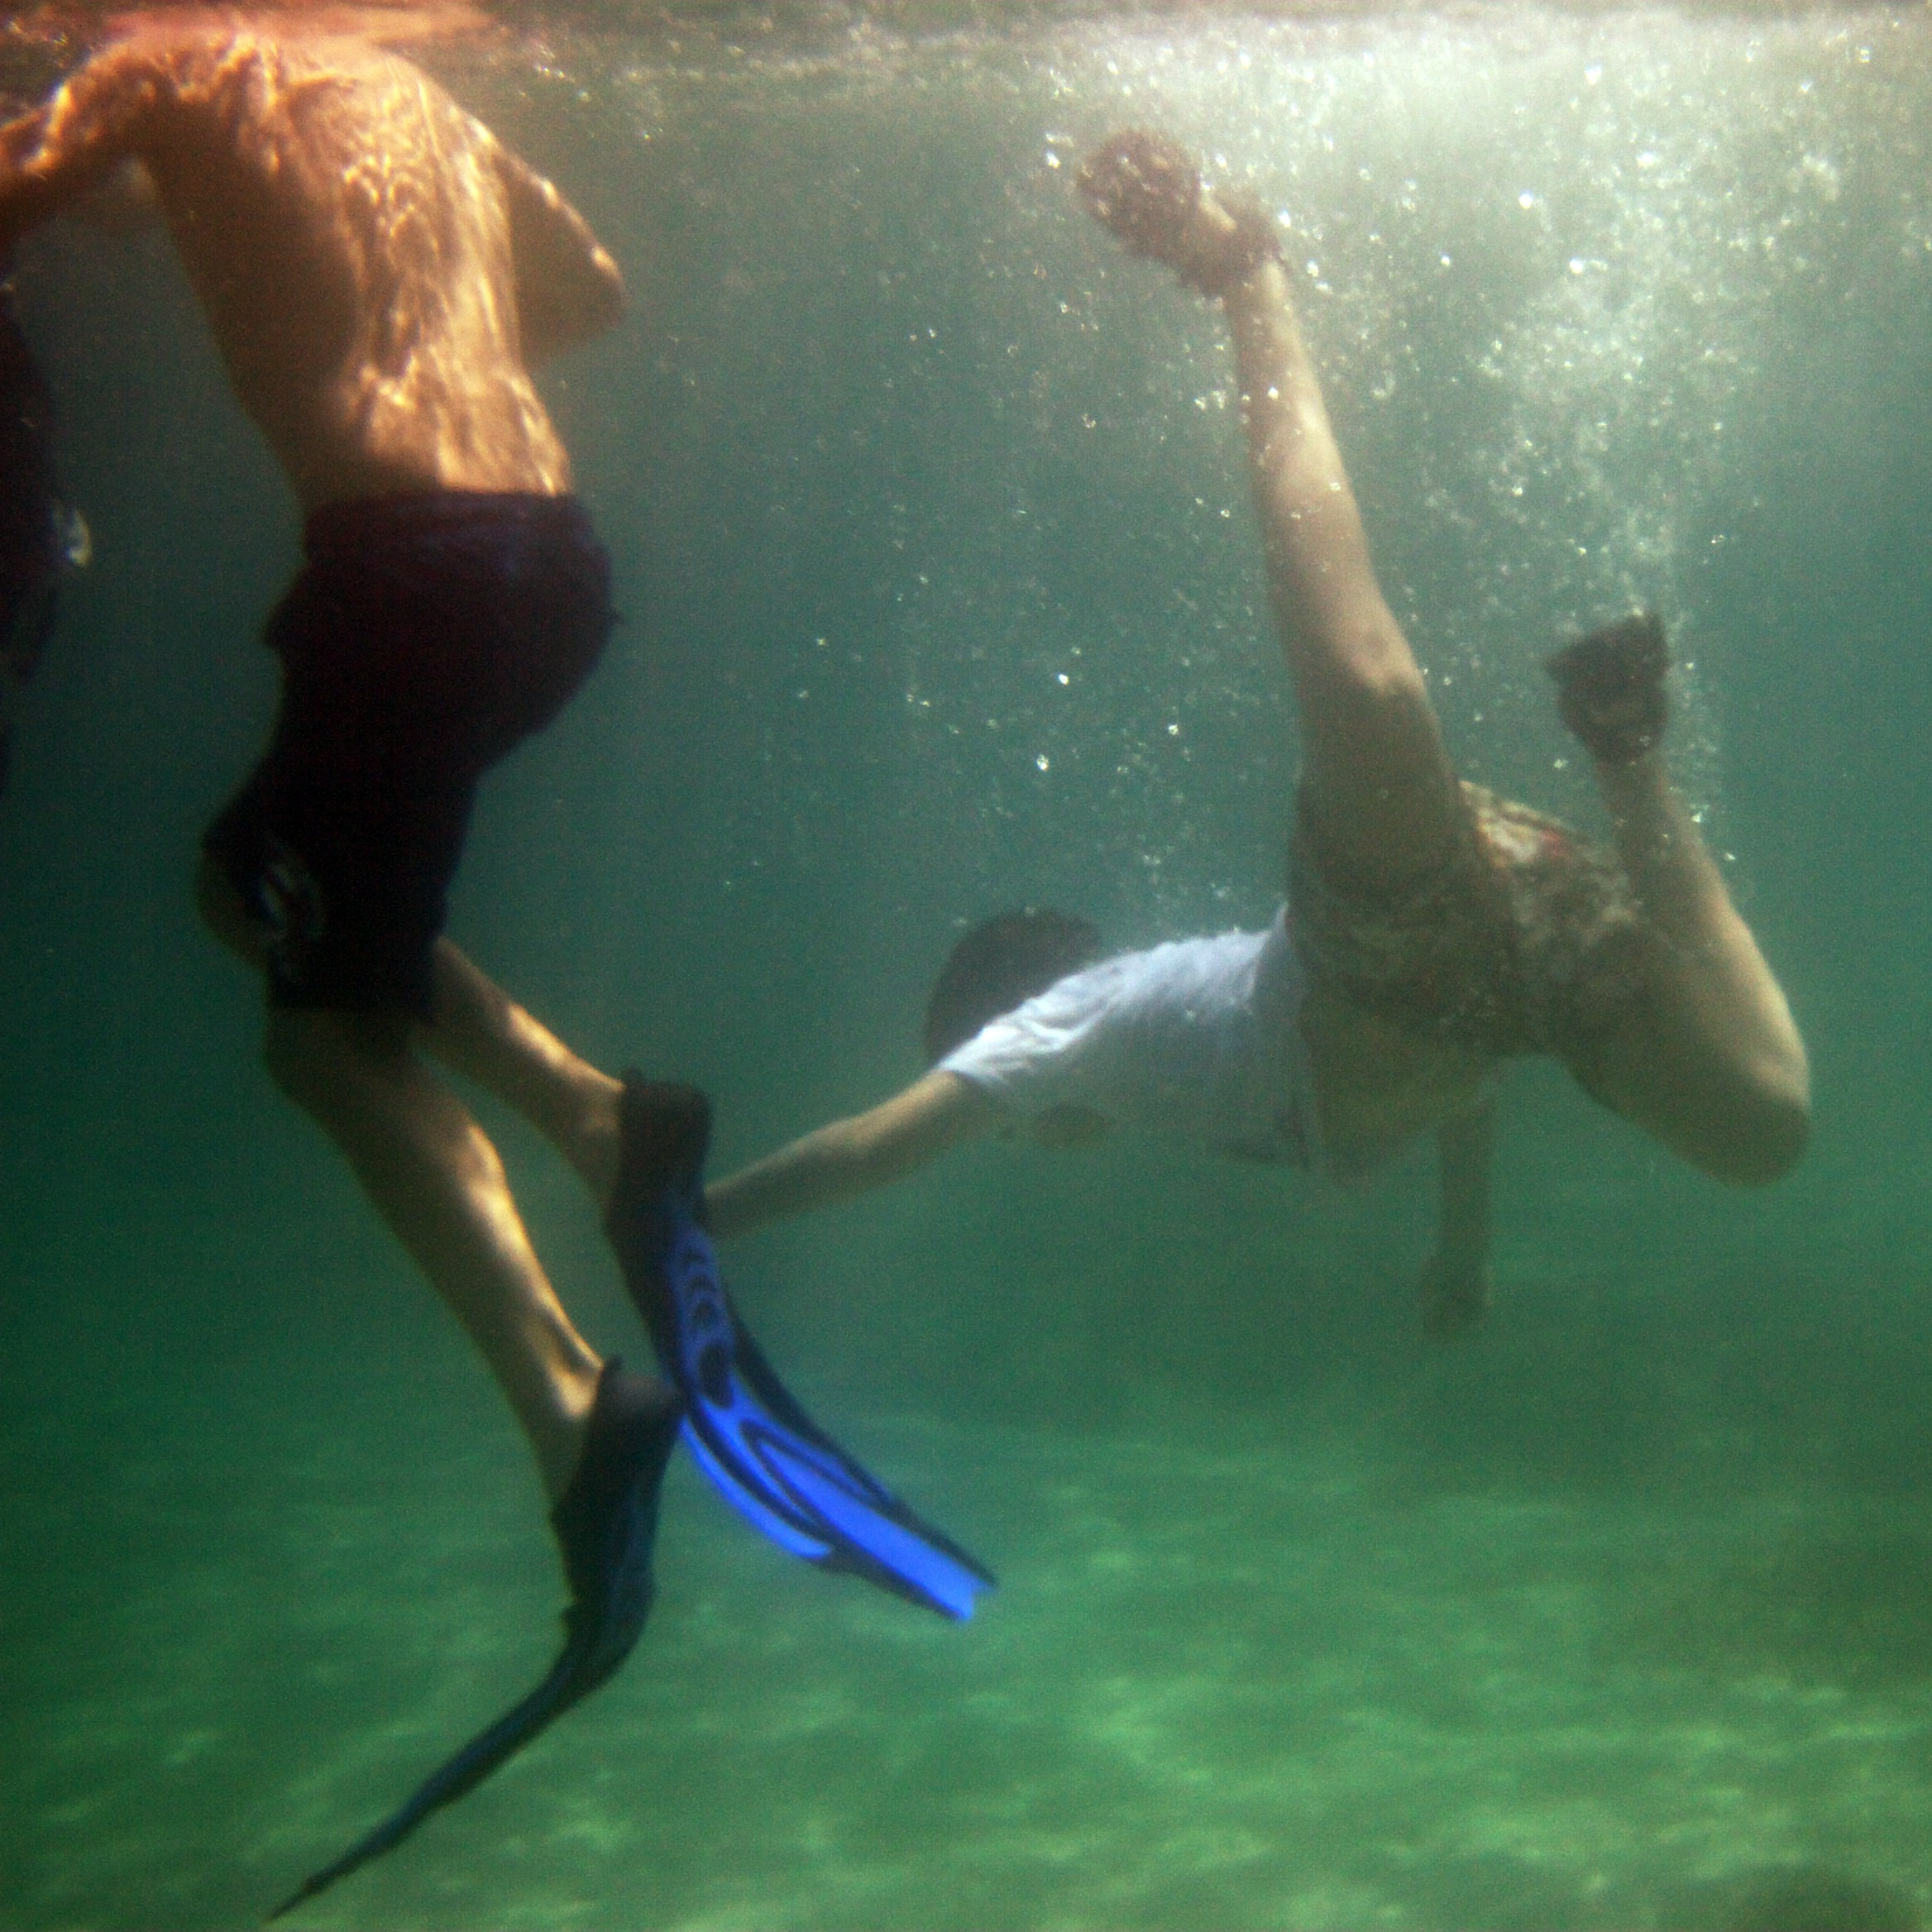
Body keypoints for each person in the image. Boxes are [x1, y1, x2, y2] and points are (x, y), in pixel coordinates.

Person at [704, 131, 1810, 1335]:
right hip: (1503, 994)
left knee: (1367, 678)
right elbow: (1465, 1103)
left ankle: (1244, 278)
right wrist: (1463, 1253)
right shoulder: (1134, 1066)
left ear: (993, 1036)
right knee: (1763, 1128)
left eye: (984, 1094)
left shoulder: (1068, 1024)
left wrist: (690, 1216)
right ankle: (1629, 754)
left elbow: (871, 1152)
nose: (1009, 1127)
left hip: (1376, 941)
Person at [0, 6, 685, 1848]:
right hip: (550, 561)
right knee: (258, 883)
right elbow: (598, 288)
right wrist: (404, 335)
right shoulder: (414, 98)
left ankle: (570, 1405)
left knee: (324, 1032)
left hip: (404, 574)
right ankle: (592, 1110)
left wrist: (117, 175)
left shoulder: (164, 62)